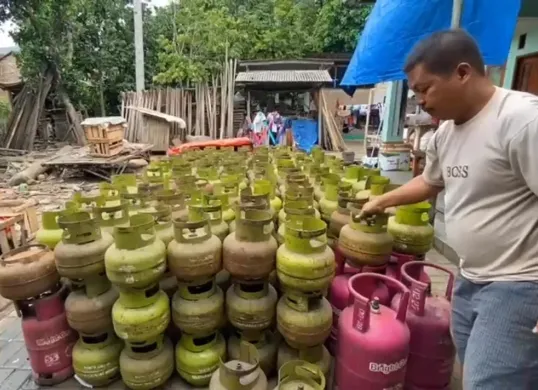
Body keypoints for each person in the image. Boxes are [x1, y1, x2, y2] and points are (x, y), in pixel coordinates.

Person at [361, 29, 538, 388]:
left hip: (519, 284)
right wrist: (382, 200)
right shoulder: (445, 134)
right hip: (471, 276)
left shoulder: (521, 121)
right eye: (415, 93)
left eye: (425, 89)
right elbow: (431, 182)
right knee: (479, 369)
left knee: (491, 381)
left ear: (462, 73)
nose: (421, 102)